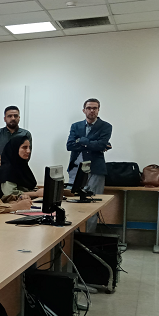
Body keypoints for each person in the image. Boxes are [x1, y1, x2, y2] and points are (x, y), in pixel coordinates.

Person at [67, 98, 112, 233]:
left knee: (92, 205)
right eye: (89, 108)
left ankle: (88, 237)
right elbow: (69, 146)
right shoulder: (76, 126)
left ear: (98, 110)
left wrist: (82, 141)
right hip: (75, 170)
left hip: (95, 170)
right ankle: (73, 238)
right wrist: (92, 144)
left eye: (94, 108)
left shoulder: (106, 126)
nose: (92, 110)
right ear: (84, 110)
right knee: (72, 204)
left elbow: (101, 145)